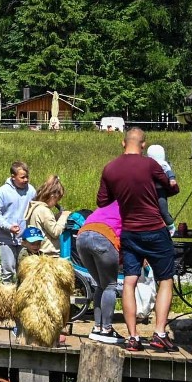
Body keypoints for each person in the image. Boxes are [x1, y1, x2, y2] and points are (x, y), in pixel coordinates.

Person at [97, 127, 180, 352]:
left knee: (130, 281)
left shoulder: (110, 168)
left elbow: (102, 201)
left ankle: (132, 337)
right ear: (143, 145)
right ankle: (159, 334)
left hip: (130, 232)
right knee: (165, 279)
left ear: (123, 143)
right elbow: (170, 189)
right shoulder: (150, 165)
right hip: (155, 230)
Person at [76, 201, 125, 344]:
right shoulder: (130, 204)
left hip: (82, 236)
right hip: (103, 237)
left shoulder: (109, 204)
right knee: (110, 285)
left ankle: (97, 328)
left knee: (100, 284)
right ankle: (107, 330)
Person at [0, 161, 36, 283]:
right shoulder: (2, 192)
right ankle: (6, 298)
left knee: (24, 271)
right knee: (8, 270)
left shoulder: (31, 191)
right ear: (13, 177)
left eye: (27, 177)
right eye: (22, 177)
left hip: (24, 239)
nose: (26, 180)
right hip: (6, 238)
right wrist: (8, 227)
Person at [24, 175, 71, 257]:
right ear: (52, 196)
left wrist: (56, 218)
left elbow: (45, 228)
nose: (57, 203)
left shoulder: (35, 207)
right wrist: (63, 217)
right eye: (57, 199)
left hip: (38, 253)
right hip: (48, 255)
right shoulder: (44, 210)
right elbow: (55, 232)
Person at [145, 144, 178, 234]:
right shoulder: (147, 163)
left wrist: (172, 179)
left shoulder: (163, 164)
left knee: (163, 210)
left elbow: (169, 171)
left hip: (160, 191)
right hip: (150, 191)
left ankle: (171, 226)